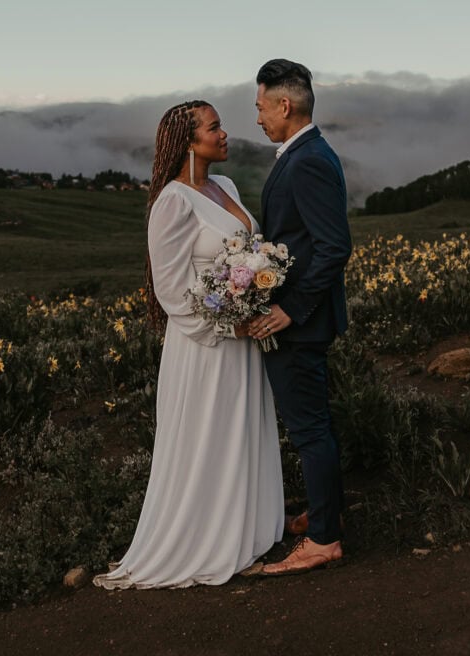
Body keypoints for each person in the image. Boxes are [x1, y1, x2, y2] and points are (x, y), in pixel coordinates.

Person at [94, 100, 284, 589]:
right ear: (189, 140)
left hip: (242, 340)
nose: (225, 134)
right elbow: (172, 290)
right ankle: (201, 543)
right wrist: (228, 324)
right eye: (215, 127)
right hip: (206, 346)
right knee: (206, 438)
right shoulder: (172, 202)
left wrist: (255, 291)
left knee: (239, 434)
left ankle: (243, 535)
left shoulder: (226, 186)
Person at [248, 59, 352, 575]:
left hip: (302, 321)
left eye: (261, 107)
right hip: (303, 317)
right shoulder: (304, 152)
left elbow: (333, 247)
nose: (259, 119)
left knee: (310, 430)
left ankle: (324, 538)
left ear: (284, 106)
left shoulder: (308, 159)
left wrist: (290, 308)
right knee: (314, 425)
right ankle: (324, 511)